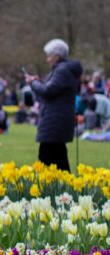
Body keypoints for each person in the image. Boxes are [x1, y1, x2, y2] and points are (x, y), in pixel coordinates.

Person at [25, 39, 83, 172]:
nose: (47, 59)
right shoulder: (63, 70)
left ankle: (52, 190)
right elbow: (51, 88)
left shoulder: (62, 70)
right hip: (58, 120)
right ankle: (65, 189)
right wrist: (38, 81)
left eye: (49, 55)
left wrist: (32, 84)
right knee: (59, 156)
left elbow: (48, 91)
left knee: (47, 157)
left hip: (55, 121)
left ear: (57, 55)